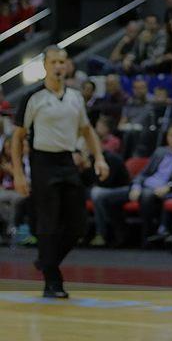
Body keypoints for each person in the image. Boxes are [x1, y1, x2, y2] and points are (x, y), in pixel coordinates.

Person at [11, 46, 110, 298]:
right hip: (42, 161)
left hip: (67, 160)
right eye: (53, 62)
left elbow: (87, 130)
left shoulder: (75, 97)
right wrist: (19, 174)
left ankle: (47, 260)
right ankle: (52, 282)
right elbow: (18, 137)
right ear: (45, 65)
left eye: (62, 62)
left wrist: (99, 158)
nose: (58, 66)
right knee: (49, 221)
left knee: (78, 224)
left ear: (67, 66)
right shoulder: (33, 97)